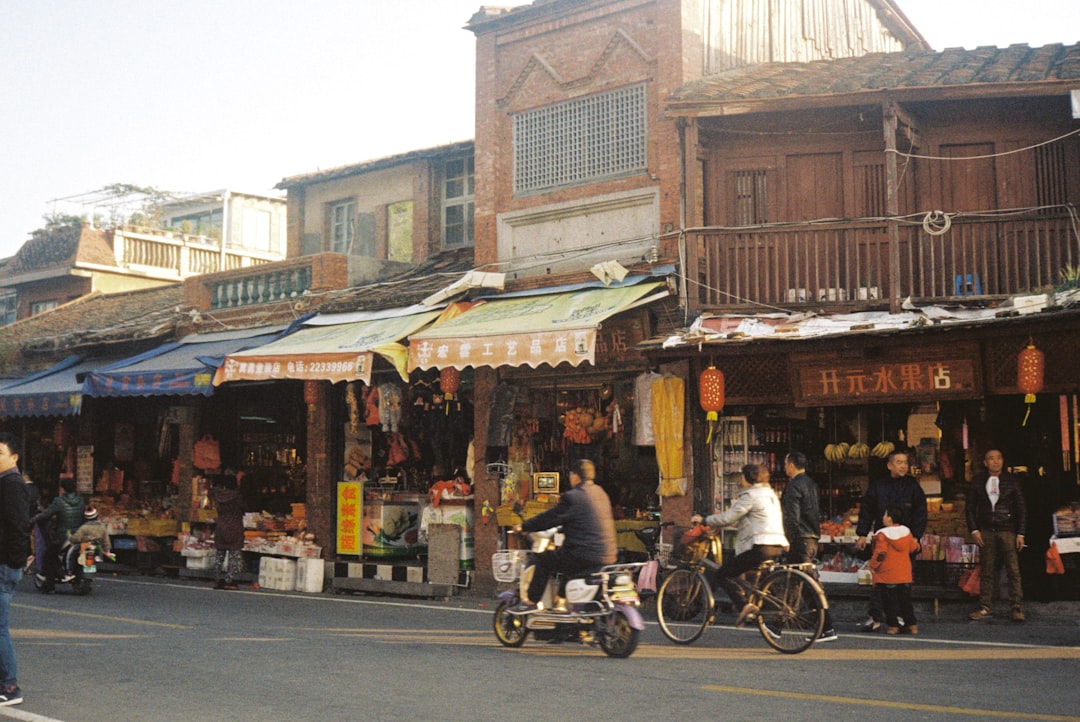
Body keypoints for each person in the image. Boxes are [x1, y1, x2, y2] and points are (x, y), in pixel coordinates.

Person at [509, 459, 617, 614]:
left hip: (584, 555)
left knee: (543, 559)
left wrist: (525, 526)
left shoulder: (573, 497)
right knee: (566, 561)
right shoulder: (601, 493)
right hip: (608, 555)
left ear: (575, 476)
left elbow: (550, 517)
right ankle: (561, 601)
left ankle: (531, 601)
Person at [695, 463, 788, 627]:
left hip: (759, 545)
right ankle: (750, 605)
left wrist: (704, 520)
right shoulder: (770, 494)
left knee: (722, 574)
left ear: (747, 478)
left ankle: (744, 605)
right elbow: (757, 519)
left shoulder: (750, 495)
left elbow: (727, 518)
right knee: (736, 565)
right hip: (777, 545)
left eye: (742, 477)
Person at [854, 449, 927, 632]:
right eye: (899, 462)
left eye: (905, 462)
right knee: (880, 582)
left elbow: (921, 513)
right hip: (883, 541)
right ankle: (876, 617)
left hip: (904, 544)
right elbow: (867, 510)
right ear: (889, 465)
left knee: (903, 584)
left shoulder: (913, 487)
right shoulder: (878, 486)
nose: (903, 466)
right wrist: (862, 533)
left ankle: (900, 618)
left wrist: (917, 536)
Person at [781, 451, 837, 642]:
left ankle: (825, 626)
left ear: (791, 465)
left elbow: (791, 518)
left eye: (786, 463)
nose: (785, 467)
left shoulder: (794, 486)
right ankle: (783, 623)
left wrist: (789, 539)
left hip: (800, 540)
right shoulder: (812, 484)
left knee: (801, 581)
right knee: (799, 582)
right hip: (812, 538)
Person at [965, 449, 1027, 622]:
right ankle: (985, 606)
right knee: (987, 569)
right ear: (985, 462)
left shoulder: (1011, 481)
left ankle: (1016, 606)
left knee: (1013, 569)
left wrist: (1021, 532)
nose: (995, 462)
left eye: (998, 458)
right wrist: (974, 529)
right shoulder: (978, 481)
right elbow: (969, 507)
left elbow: (1021, 508)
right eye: (991, 459)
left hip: (1007, 529)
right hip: (986, 529)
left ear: (1003, 460)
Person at [0, 432, 31, 706]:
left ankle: (10, 687)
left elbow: (20, 527)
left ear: (14, 457)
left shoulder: (12, 484)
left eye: (0, 453)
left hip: (4, 566)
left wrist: (14, 563)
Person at [868, 508, 920, 634]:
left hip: (887, 573)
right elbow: (914, 548)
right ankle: (912, 625)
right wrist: (916, 544)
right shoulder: (906, 532)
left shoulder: (882, 534)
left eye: (885, 514)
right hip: (904, 572)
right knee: (905, 600)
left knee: (889, 602)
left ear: (890, 518)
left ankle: (893, 626)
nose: (883, 517)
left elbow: (881, 553)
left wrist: (872, 565)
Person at [31, 475, 85, 593]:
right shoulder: (81, 501)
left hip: (62, 536)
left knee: (48, 556)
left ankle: (49, 586)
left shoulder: (59, 501)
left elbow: (47, 514)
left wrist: (34, 519)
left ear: (63, 488)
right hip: (79, 535)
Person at [210, 473, 245, 590]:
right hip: (235, 527)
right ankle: (230, 580)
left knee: (220, 554)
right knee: (234, 555)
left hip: (221, 527)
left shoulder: (218, 496)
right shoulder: (238, 497)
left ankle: (217, 578)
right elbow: (244, 508)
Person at [65, 507, 113, 575]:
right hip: (96, 547)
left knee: (70, 554)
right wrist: (107, 550)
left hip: (84, 546)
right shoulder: (102, 527)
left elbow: (76, 538)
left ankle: (69, 570)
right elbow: (106, 541)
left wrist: (71, 538)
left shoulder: (84, 527)